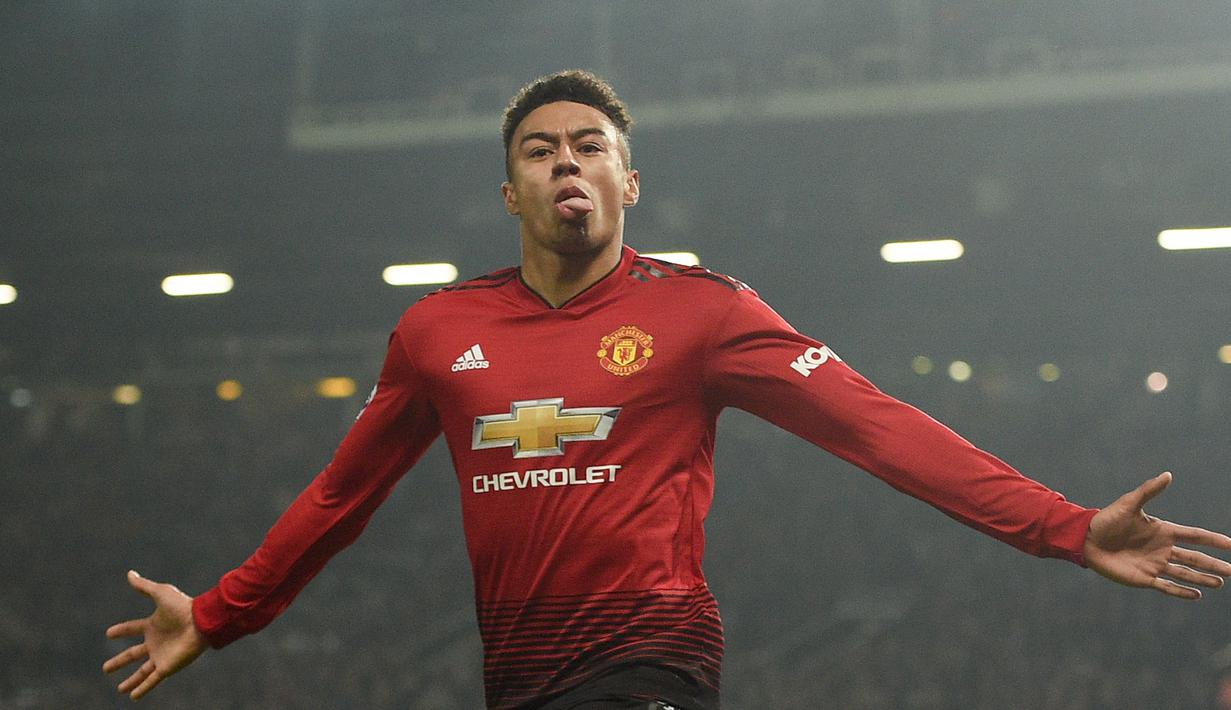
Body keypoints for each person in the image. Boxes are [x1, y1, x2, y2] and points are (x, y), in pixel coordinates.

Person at [104, 69, 1231, 710]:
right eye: (540, 149)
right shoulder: (438, 331)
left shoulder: (703, 312)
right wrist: (218, 613)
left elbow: (877, 427)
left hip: (653, 664)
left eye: (589, 145)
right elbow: (339, 495)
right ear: (509, 193)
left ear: (627, 182)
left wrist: (1062, 526)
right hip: (518, 679)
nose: (566, 161)